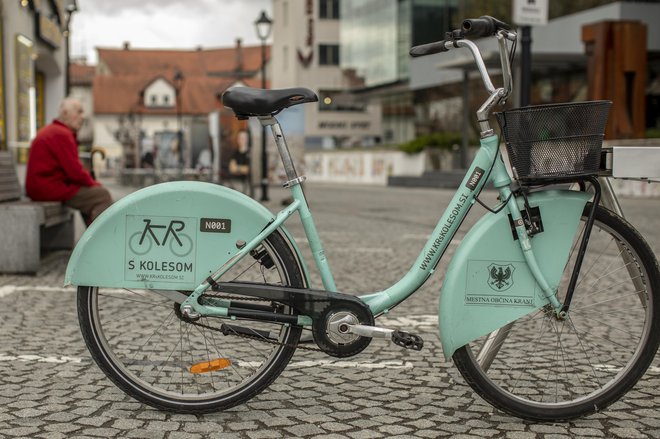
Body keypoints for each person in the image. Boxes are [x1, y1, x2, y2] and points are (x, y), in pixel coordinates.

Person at [26, 97, 113, 225]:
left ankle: (91, 237)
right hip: (48, 188)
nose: (82, 117)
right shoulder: (62, 134)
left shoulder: (53, 131)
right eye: (79, 112)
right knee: (101, 195)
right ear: (65, 113)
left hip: (43, 187)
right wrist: (94, 184)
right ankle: (99, 240)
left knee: (91, 196)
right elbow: (75, 172)